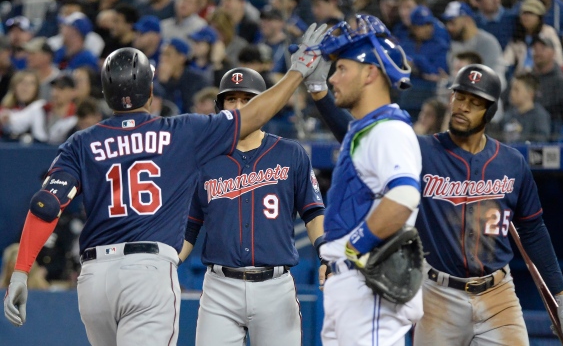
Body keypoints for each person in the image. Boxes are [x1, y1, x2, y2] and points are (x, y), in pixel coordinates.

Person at [3, 22, 327, 343]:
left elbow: (46, 205)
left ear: (105, 92)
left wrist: (20, 271)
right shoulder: (180, 132)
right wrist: (297, 71)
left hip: (94, 277)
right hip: (148, 270)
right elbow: (253, 117)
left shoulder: (81, 142)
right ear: (151, 89)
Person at [310, 62, 563, 344]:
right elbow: (365, 140)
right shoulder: (423, 151)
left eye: (474, 102)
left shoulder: (512, 163)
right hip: (438, 293)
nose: (463, 106)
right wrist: (320, 92)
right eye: (460, 97)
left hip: (498, 294)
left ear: (489, 111)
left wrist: (561, 293)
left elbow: (533, 230)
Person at [182, 67, 325, 346]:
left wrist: (326, 254)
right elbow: (189, 227)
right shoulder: (205, 160)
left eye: (247, 99)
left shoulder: (291, 153)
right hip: (220, 287)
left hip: (275, 286)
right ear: (220, 106)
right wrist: (164, 265)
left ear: (264, 104)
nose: (238, 107)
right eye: (231, 99)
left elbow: (313, 212)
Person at [308, 14, 424, 345]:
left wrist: (350, 247)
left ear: (371, 72)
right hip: (351, 287)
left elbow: (404, 197)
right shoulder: (369, 129)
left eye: (342, 68)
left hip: (367, 285)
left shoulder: (389, 129)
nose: (333, 78)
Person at [502, 72, 551, 143]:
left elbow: (540, 143)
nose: (511, 93)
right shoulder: (508, 115)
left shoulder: (540, 117)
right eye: (511, 89)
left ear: (530, 94)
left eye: (516, 89)